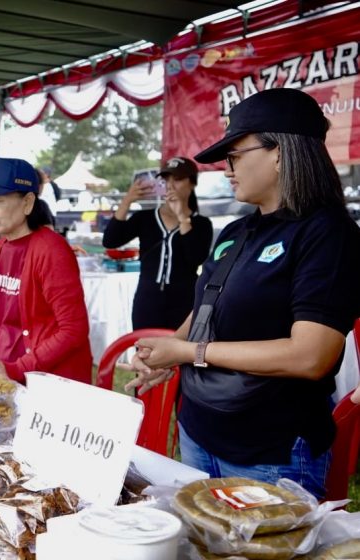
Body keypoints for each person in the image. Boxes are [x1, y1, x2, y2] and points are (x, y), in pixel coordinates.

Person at [127, 88, 360, 498]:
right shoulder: (237, 230)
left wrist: (190, 353)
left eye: (235, 156)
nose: (227, 170)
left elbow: (311, 356)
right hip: (198, 429)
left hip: (271, 448)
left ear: (280, 152)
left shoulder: (328, 234)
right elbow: (206, 305)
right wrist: (169, 350)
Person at [0, 156, 92, 385]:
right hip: (9, 379)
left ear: (27, 202)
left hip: (49, 385)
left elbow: (73, 330)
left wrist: (18, 368)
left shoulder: (51, 250)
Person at [102, 157, 213, 329]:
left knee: (181, 354)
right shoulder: (145, 218)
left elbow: (195, 258)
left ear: (192, 184)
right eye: (166, 180)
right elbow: (110, 241)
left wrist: (183, 217)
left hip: (184, 302)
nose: (170, 185)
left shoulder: (201, 224)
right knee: (146, 352)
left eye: (177, 179)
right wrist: (127, 201)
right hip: (147, 301)